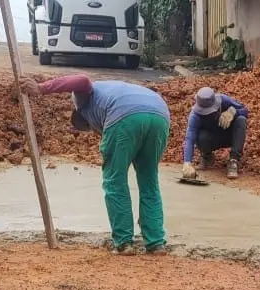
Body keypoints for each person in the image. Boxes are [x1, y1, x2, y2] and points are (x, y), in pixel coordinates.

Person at [21, 74, 170, 253]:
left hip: (124, 115)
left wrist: (41, 88)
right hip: (159, 115)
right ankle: (155, 242)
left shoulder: (83, 100)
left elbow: (81, 80)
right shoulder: (114, 91)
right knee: (149, 182)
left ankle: (124, 243)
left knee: (115, 181)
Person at [181, 87, 249, 181]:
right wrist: (187, 163)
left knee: (241, 120)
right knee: (199, 135)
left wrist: (233, 112)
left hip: (230, 135)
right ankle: (207, 156)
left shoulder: (224, 100)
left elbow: (245, 111)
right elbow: (189, 138)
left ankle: (234, 160)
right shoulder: (195, 116)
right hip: (211, 139)